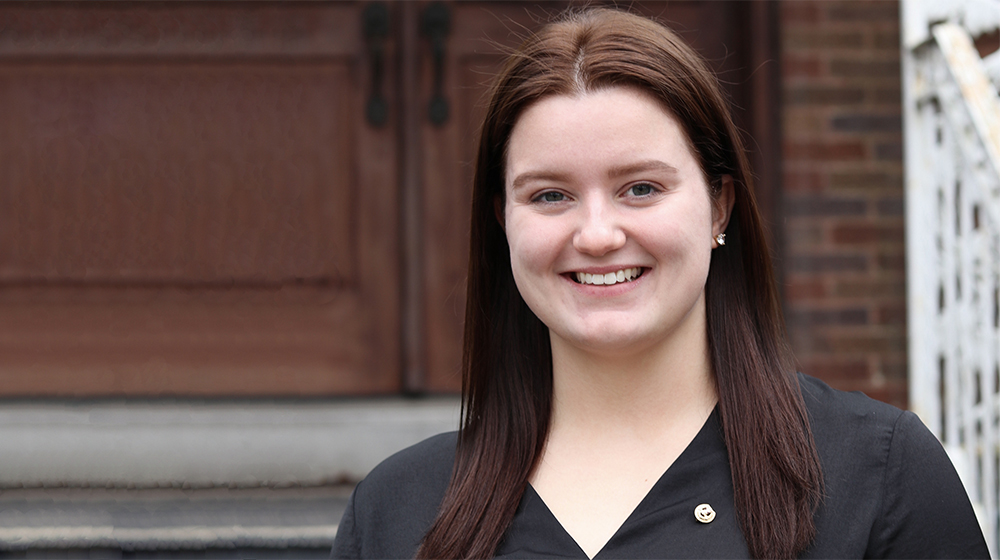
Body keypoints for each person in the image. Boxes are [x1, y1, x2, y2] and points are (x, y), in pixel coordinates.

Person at [332, 8, 989, 559]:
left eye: (640, 188)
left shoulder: (877, 476)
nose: (596, 234)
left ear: (719, 207)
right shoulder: (398, 511)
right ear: (504, 222)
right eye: (551, 194)